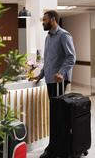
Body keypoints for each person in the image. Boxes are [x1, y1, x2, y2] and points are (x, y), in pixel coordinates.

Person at [32, 10, 76, 158]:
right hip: (50, 80)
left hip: (58, 82)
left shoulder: (64, 35)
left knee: (58, 115)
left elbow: (71, 57)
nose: (43, 23)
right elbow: (48, 61)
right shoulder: (48, 37)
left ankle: (56, 148)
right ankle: (56, 145)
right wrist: (40, 75)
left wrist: (62, 73)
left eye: (44, 20)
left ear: (52, 19)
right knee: (55, 115)